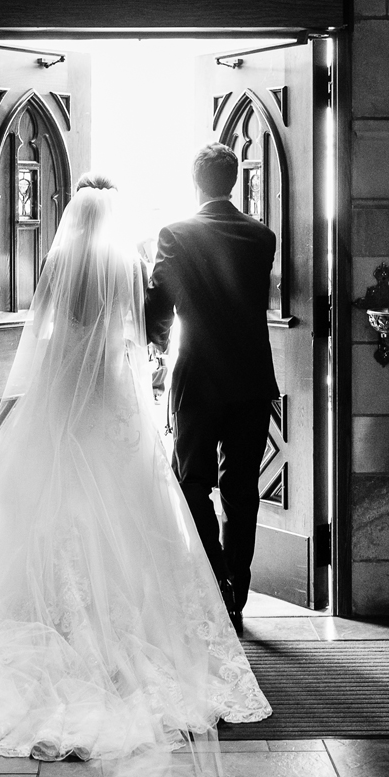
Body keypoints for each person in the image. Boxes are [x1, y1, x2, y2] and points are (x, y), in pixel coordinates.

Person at [0, 176, 270, 777]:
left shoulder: (58, 261)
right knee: (137, 511)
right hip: (113, 394)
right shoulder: (132, 263)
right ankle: (191, 607)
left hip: (59, 393)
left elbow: (42, 330)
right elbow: (141, 332)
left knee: (43, 510)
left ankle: (45, 622)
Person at [144, 143, 281, 635]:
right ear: (237, 178)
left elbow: (160, 298)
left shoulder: (177, 233)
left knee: (192, 483)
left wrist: (155, 344)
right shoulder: (261, 237)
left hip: (197, 379)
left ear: (196, 182)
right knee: (243, 489)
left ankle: (216, 578)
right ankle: (237, 593)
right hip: (250, 379)